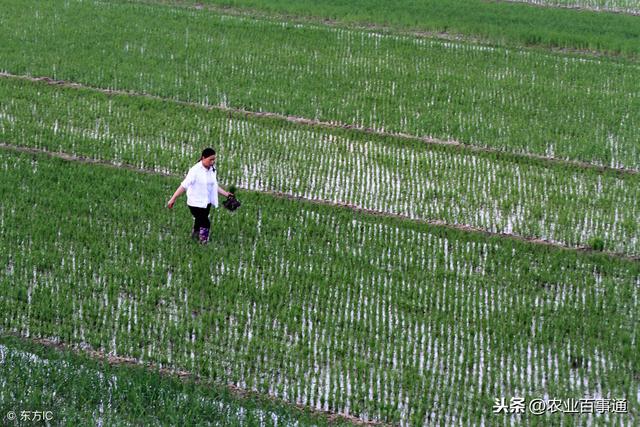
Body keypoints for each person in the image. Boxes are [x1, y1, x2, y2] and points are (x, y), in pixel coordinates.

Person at [167, 148, 233, 244]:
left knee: (199, 220)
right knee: (205, 222)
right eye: (210, 159)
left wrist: (226, 194)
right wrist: (173, 199)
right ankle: (203, 242)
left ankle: (194, 237)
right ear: (203, 158)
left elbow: (214, 185)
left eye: (214, 159)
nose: (213, 162)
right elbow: (183, 185)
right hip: (195, 203)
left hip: (207, 202)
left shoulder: (212, 170)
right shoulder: (195, 170)